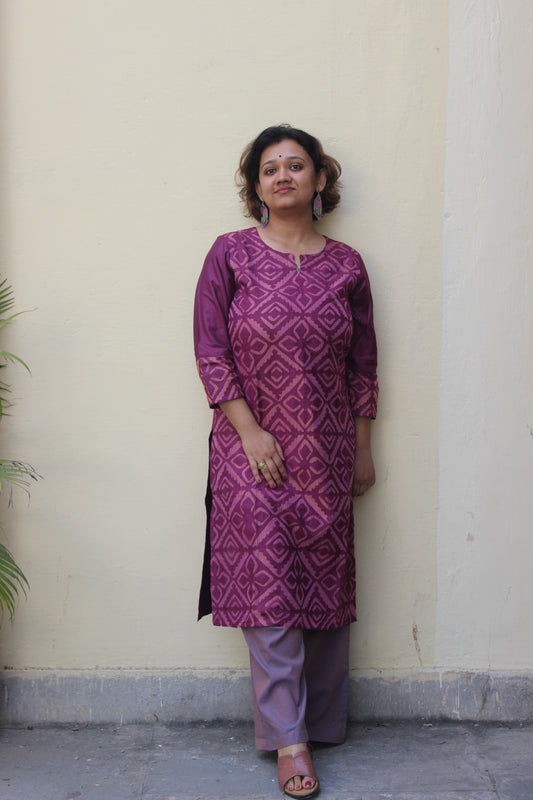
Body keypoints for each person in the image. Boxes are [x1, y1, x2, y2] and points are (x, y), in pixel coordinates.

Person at [193, 124, 378, 798]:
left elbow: (363, 364)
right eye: (268, 169)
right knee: (269, 592)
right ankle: (288, 740)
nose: (282, 176)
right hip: (249, 451)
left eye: (295, 165)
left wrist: (361, 449)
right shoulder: (230, 255)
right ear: (255, 188)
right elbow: (210, 351)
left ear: (319, 179)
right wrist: (249, 431)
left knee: (324, 588)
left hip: (327, 450)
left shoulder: (347, 265)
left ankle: (321, 723)